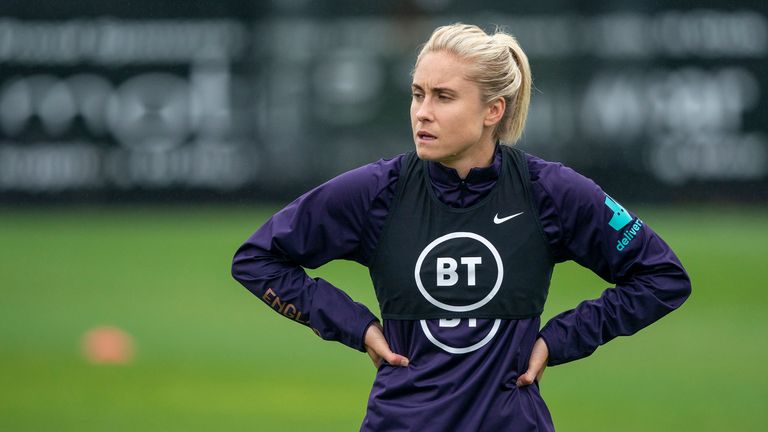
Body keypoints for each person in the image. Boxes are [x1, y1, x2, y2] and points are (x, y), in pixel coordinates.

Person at [231, 23, 691, 431]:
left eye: (443, 97)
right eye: (417, 94)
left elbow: (662, 277)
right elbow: (257, 259)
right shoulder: (377, 191)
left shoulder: (548, 191)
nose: (422, 112)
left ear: (493, 111)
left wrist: (559, 339)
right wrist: (357, 327)